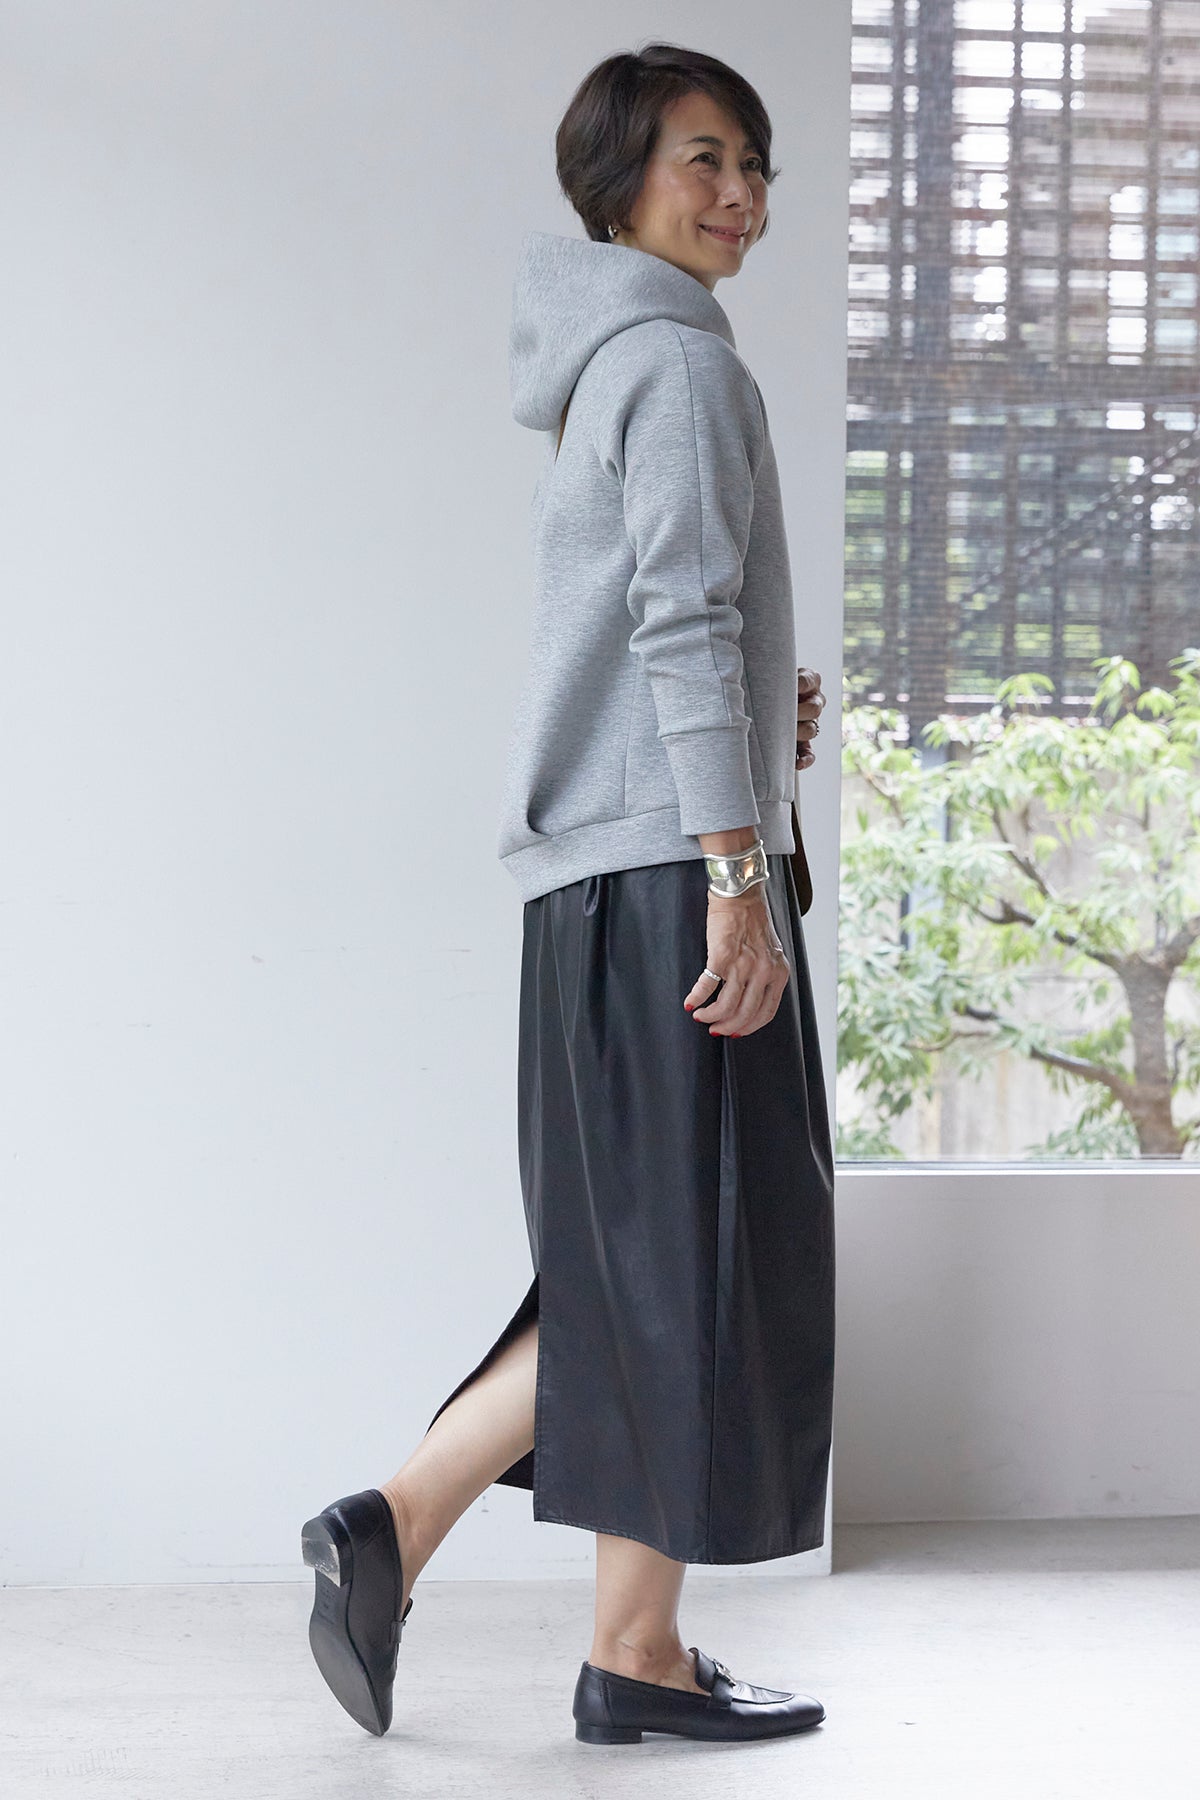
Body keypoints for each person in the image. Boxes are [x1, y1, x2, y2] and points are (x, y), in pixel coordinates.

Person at [301, 41, 835, 1747]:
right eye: (703, 159)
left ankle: (623, 1645)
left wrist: (753, 731)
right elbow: (676, 621)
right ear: (619, 183)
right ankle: (416, 1526)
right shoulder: (674, 366)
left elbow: (650, 632)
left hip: (612, 881)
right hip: (671, 884)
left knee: (653, 1266)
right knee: (676, 1268)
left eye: (754, 162)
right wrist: (737, 876)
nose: (740, 193)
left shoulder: (622, 361)